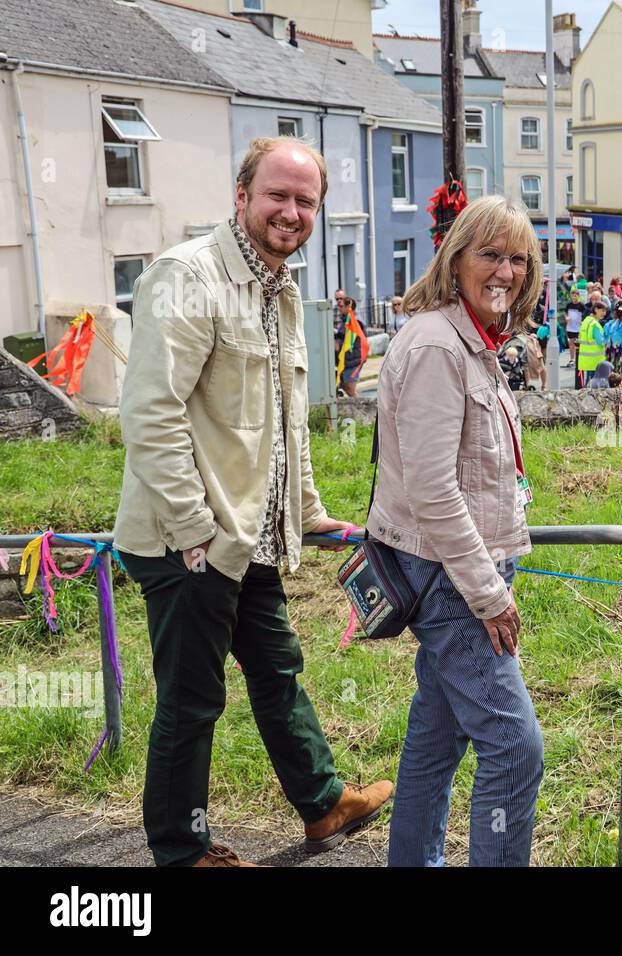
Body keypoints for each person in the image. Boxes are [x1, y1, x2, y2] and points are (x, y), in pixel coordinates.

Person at [113, 136, 390, 868]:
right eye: (277, 195)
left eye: (306, 201)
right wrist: (193, 530)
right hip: (190, 543)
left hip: (249, 538)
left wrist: (305, 511)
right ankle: (182, 850)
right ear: (241, 195)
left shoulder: (282, 288)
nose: (291, 212)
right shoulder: (187, 276)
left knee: (278, 670)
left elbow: (281, 422)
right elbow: (148, 413)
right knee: (192, 702)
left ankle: (324, 803)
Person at [374, 195, 545, 867]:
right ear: (456, 259)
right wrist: (489, 593)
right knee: (514, 746)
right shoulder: (439, 346)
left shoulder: (471, 339)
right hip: (451, 579)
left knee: (436, 736)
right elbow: (433, 489)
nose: (505, 270)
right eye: (490, 254)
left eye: (518, 258)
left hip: (458, 571)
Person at [335, 295, 366, 397]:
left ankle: (362, 411)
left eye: (341, 306)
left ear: (348, 307)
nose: (339, 308)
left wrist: (337, 342)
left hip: (353, 359)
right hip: (348, 359)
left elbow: (348, 340)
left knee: (350, 389)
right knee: (345, 387)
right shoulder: (347, 319)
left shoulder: (354, 321)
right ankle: (360, 408)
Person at [577, 299, 607, 388]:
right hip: (595, 360)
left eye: (605, 311)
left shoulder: (586, 321)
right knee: (594, 385)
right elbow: (601, 342)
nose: (604, 313)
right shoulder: (595, 325)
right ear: (596, 309)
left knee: (589, 382)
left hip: (587, 360)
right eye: (602, 311)